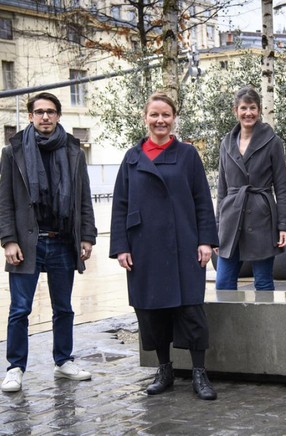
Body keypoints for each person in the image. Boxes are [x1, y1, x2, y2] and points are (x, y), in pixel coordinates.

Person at [109, 92, 219, 400]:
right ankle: (164, 370)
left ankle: (199, 372)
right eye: (154, 115)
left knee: (191, 311)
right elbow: (120, 204)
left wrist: (206, 241)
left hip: (184, 245)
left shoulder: (187, 154)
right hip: (144, 249)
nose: (160, 120)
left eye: (166, 115)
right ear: (145, 118)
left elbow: (202, 200)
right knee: (151, 313)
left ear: (173, 119)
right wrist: (121, 246)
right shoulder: (132, 158)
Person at [0, 92, 97, 393]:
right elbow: (4, 201)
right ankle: (15, 367)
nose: (45, 117)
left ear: (58, 116)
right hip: (27, 242)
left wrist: (87, 236)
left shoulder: (73, 151)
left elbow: (83, 197)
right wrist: (8, 240)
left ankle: (63, 360)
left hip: (62, 240)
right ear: (30, 116)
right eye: (39, 112)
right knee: (20, 309)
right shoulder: (12, 151)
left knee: (64, 307)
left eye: (51, 112)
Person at [214, 86, 286, 291]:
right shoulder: (226, 143)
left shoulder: (272, 142)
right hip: (231, 219)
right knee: (223, 283)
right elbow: (222, 187)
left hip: (262, 217)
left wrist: (284, 225)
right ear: (235, 111)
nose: (248, 113)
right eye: (243, 108)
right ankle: (230, 324)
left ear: (259, 111)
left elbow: (283, 187)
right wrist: (216, 227)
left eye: (252, 108)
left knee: (264, 282)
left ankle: (267, 324)